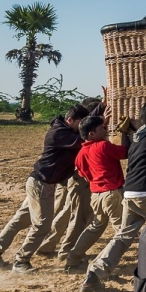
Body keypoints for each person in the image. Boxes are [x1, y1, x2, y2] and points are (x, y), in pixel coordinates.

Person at [81, 101, 146, 292]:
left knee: (123, 236)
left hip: (130, 192)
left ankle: (94, 274)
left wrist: (125, 133)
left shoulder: (137, 137)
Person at [0, 104, 90, 273]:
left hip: (40, 184)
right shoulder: (60, 133)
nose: (83, 127)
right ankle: (21, 261)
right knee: (42, 226)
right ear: (70, 120)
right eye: (81, 123)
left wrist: (102, 105)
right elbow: (86, 140)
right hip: (41, 185)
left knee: (19, 221)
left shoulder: (64, 130)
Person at [37, 91, 108, 259]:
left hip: (70, 177)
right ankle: (65, 251)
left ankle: (48, 245)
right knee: (75, 216)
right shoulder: (71, 135)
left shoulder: (71, 130)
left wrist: (102, 105)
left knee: (67, 212)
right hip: (76, 178)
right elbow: (88, 136)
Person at [62, 115, 128, 272]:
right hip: (111, 194)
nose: (105, 130)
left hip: (96, 195)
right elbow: (125, 152)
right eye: (101, 128)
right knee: (122, 231)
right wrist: (124, 133)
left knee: (95, 228)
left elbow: (84, 175)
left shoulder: (81, 154)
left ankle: (73, 259)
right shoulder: (103, 146)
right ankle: (102, 266)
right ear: (91, 134)